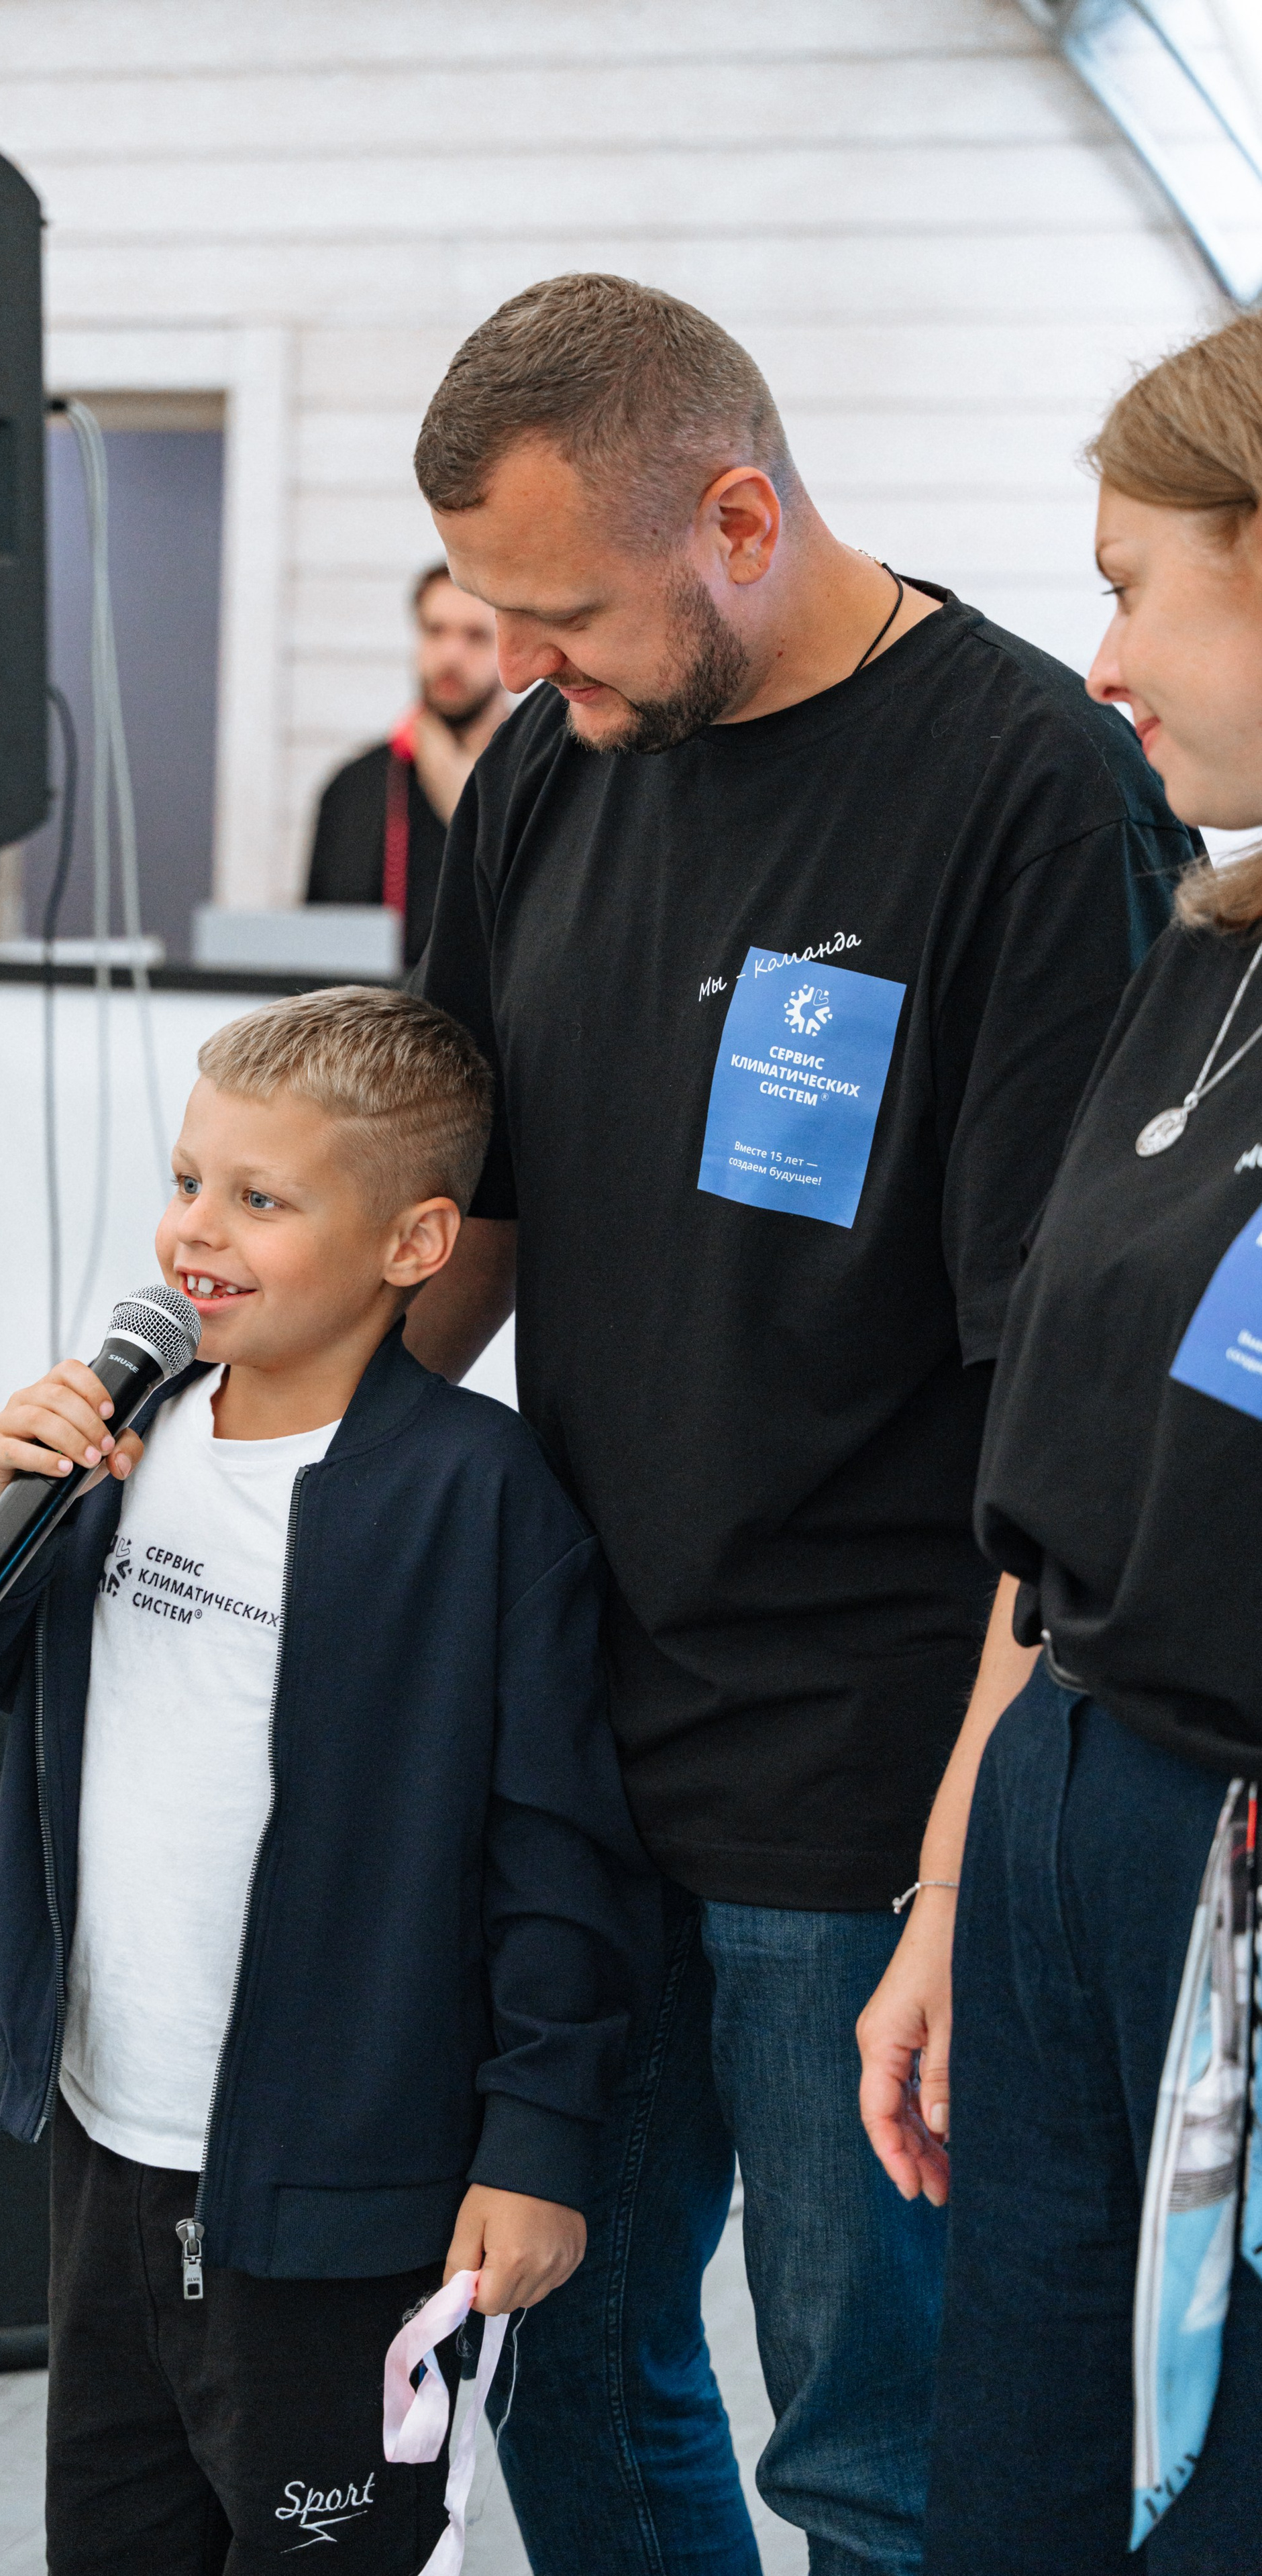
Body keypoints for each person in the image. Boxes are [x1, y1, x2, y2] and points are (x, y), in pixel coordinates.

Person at [403, 272, 1193, 2575]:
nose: (523, 665)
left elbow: (1061, 1382)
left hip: (860, 1776)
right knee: (560, 2356)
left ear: (737, 520)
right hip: (579, 1732)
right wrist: (237, 1443)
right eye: (497, 616)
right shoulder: (550, 765)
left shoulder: (1028, 784)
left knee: (879, 2444)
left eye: (567, 615)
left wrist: (957, 1851)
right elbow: (472, 1213)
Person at [0, 985, 651, 2575]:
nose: (195, 1232)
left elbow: (558, 1856)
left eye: (260, 1198)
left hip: (344, 2190)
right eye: (186, 1180)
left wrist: (531, 2143)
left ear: (413, 1242)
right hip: (108, 2138)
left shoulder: (475, 1497)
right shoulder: (117, 1443)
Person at [852, 316, 1262, 2574]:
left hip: (1228, 1850)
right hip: (1065, 1807)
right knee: (1014, 2467)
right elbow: (1061, 1494)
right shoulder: (1204, 958)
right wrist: (949, 1889)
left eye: (1131, 586)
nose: (1102, 658)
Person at [305, 564, 509, 965]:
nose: (451, 655)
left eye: (476, 636)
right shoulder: (354, 790)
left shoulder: (542, 779)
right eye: (435, 631)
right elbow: (319, 953)